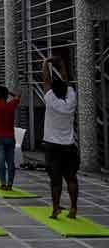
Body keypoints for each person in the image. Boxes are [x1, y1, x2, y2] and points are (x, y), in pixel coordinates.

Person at [42, 56, 79, 219]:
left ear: (52, 90)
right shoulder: (71, 100)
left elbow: (46, 81)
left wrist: (45, 64)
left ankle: (56, 208)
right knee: (71, 178)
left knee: (55, 180)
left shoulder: (51, 100)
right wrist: (62, 63)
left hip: (52, 145)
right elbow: (66, 80)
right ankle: (73, 208)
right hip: (69, 145)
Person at [0, 86, 21, 191]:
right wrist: (10, 93)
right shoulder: (11, 105)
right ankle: (10, 184)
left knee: (1, 162)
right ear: (6, 96)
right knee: (10, 162)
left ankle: (3, 183)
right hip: (10, 137)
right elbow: (18, 96)